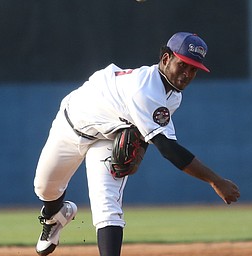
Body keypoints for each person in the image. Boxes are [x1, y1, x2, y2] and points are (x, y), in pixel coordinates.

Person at [33, 32, 240, 256]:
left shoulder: (173, 96)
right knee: (45, 188)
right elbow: (168, 149)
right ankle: (55, 217)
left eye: (194, 69)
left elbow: (153, 134)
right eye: (183, 65)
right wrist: (215, 181)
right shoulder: (145, 89)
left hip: (109, 136)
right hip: (71, 124)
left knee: (107, 207)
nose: (187, 74)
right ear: (166, 59)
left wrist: (140, 146)